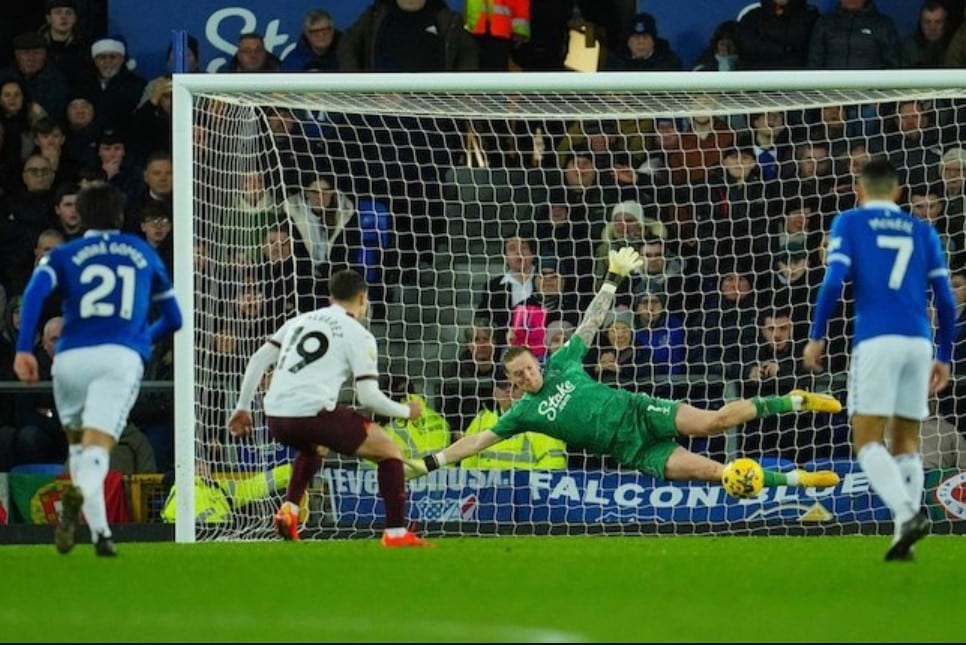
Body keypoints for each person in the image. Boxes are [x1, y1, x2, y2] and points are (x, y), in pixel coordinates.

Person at [406, 247, 843, 498]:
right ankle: (799, 479)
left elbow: (591, 323)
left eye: (526, 369)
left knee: (714, 422)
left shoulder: (562, 363)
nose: (525, 379)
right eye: (517, 378)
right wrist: (430, 463)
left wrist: (612, 278)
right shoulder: (523, 413)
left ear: (536, 362)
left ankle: (796, 400)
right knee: (718, 472)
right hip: (634, 452)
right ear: (514, 384)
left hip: (640, 411)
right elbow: (476, 440)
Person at [12, 181, 183, 557]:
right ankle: (80, 498)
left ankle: (100, 532)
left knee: (78, 446)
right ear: (121, 216)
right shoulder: (141, 252)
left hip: (70, 360)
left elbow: (35, 293)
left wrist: (24, 348)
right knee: (100, 446)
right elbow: (173, 318)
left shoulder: (66, 253)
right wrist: (140, 341)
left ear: (82, 216)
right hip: (116, 359)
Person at [804, 158, 957, 561]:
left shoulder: (850, 223)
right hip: (919, 342)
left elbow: (833, 281)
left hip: (876, 340)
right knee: (906, 442)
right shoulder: (923, 230)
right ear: (898, 192)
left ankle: (907, 513)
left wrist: (817, 336)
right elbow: (945, 299)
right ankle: (900, 539)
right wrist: (945, 354)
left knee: (867, 440)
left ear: (859, 189)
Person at [227, 269, 429, 547]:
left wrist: (242, 407)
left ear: (330, 297)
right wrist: (407, 411)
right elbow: (369, 396)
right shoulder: (359, 335)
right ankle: (396, 533)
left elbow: (259, 359)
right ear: (362, 298)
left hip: (274, 415)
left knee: (316, 447)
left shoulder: (299, 321)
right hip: (312, 414)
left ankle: (290, 510)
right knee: (389, 452)